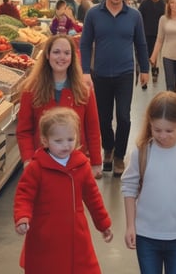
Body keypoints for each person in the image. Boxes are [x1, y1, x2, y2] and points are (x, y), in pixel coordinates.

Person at [14, 107, 113, 274]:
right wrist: (22, 217)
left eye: (70, 139)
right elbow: (24, 195)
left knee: (80, 267)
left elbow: (93, 197)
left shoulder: (81, 166)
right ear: (45, 141)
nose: (66, 145)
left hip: (76, 235)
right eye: (58, 141)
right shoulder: (36, 168)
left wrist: (103, 224)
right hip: (45, 235)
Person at [121, 91, 176, 274]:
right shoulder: (142, 152)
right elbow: (129, 189)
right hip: (146, 236)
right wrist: (130, 225)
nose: (163, 136)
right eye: (157, 130)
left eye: (170, 131)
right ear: (150, 124)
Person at [80, 0, 150, 177]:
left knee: (124, 117)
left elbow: (141, 44)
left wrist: (144, 69)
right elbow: (84, 44)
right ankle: (108, 149)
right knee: (103, 118)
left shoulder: (134, 15)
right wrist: (85, 71)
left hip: (125, 73)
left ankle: (119, 156)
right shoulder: (93, 14)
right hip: (99, 73)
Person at [16, 35, 103, 179]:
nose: (61, 57)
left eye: (66, 53)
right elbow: (24, 130)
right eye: (56, 52)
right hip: (41, 165)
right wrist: (28, 159)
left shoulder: (84, 91)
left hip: (75, 164)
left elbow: (93, 129)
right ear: (47, 55)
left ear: (72, 57)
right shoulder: (31, 90)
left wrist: (96, 162)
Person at [138, 0, 165, 86]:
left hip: (158, 33)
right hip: (146, 33)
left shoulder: (162, 4)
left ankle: (154, 68)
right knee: (146, 53)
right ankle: (145, 73)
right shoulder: (144, 4)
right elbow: (139, 18)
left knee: (155, 52)